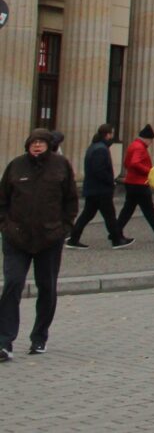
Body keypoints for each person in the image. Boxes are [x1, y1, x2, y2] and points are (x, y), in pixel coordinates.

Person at [0, 128, 79, 361]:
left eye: (41, 142)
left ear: (48, 145)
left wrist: (64, 228)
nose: (36, 146)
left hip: (49, 238)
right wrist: (5, 226)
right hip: (17, 237)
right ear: (27, 145)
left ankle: (39, 336)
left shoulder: (61, 166)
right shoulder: (16, 166)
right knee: (13, 283)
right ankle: (4, 342)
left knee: (47, 286)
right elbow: (2, 199)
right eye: (33, 142)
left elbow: (71, 200)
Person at [67, 125, 130, 249]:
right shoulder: (100, 149)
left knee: (88, 215)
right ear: (107, 134)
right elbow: (99, 170)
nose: (112, 137)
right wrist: (110, 181)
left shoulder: (95, 147)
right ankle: (117, 239)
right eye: (111, 134)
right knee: (109, 215)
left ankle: (74, 238)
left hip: (94, 189)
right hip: (100, 189)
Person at [116, 125, 154, 245]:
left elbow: (127, 163)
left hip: (131, 182)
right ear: (147, 138)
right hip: (139, 184)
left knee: (127, 210)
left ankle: (115, 231)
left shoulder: (133, 145)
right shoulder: (140, 148)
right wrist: (149, 171)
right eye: (151, 140)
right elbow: (135, 162)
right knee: (149, 211)